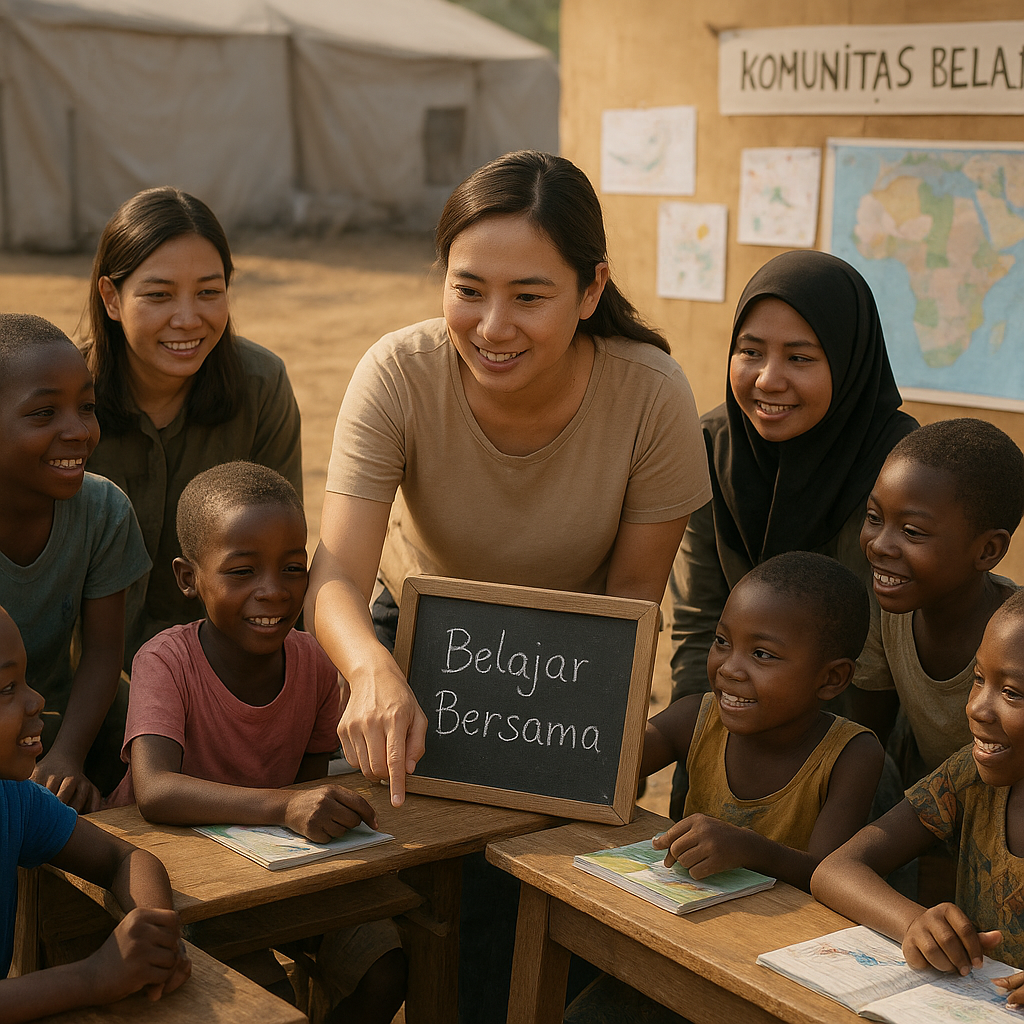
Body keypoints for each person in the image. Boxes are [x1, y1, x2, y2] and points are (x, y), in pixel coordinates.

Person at [307, 150, 711, 1022]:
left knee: (512, 897)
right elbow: (335, 575)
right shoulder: (398, 371)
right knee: (374, 875)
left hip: (572, 660)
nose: (493, 326)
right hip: (411, 641)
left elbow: (633, 603)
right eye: (468, 290)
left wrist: (561, 748)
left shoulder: (652, 396)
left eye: (530, 296)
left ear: (592, 290)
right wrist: (371, 670)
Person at [109, 462, 404, 1024]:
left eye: (293, 568)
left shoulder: (316, 662)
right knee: (271, 1004)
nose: (273, 590)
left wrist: (319, 811)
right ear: (188, 577)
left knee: (385, 969)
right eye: (242, 571)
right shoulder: (165, 661)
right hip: (178, 883)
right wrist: (285, 807)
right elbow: (155, 790)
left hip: (272, 868)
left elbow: (308, 789)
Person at [564, 551, 884, 1023]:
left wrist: (749, 849)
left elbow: (827, 877)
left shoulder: (850, 755)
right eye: (721, 641)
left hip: (773, 966)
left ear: (832, 678)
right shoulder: (696, 718)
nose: (730, 668)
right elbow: (601, 765)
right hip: (678, 940)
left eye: (762, 654)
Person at [667, 249, 916, 816]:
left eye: (800, 357)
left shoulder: (900, 469)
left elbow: (884, 659)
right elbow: (699, 620)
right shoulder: (712, 447)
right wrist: (699, 757)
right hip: (736, 731)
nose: (768, 379)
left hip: (862, 751)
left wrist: (828, 774)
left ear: (848, 363)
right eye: (750, 351)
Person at [81, 187, 302, 665]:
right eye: (159, 295)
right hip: (76, 670)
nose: (187, 319)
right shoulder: (59, 398)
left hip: (223, 663)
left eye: (209, 292)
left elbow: (279, 554)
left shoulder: (261, 387)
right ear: (111, 298)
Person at [812, 589, 1024, 1001]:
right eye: (979, 678)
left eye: (1012, 692)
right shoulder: (969, 778)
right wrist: (914, 922)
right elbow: (834, 871)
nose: (976, 708)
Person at [0, 603, 190, 1021]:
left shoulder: (15, 800)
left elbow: (124, 857)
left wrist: (155, 934)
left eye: (25, 680)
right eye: (7, 688)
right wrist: (91, 978)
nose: (36, 700)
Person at [0, 314, 150, 810]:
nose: (78, 430)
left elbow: (103, 652)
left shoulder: (103, 510)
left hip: (68, 727)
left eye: (86, 407)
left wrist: (67, 756)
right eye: (44, 413)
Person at [853, 418, 1023, 783]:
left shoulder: (1017, 637)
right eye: (874, 517)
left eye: (912, 531)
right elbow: (867, 740)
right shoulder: (885, 609)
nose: (879, 545)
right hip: (922, 797)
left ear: (988, 550)